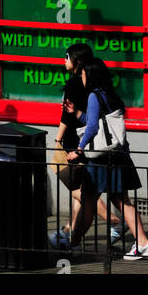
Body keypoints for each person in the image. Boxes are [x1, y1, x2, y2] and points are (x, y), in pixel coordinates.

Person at [67, 58, 148, 260]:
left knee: (89, 200)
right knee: (121, 200)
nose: (82, 77)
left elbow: (93, 128)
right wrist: (77, 113)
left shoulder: (94, 96)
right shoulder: (109, 95)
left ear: (90, 75)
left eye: (84, 74)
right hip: (118, 156)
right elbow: (98, 122)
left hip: (101, 159)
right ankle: (142, 243)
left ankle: (73, 243)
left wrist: (79, 149)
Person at [53, 43, 122, 249]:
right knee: (82, 191)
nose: (64, 60)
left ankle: (114, 222)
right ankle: (71, 232)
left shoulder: (75, 83)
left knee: (81, 190)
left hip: (78, 141)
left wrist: (58, 140)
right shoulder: (90, 85)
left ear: (77, 60)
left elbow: (68, 115)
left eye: (67, 57)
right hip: (87, 141)